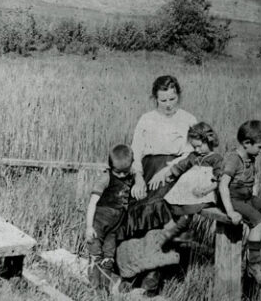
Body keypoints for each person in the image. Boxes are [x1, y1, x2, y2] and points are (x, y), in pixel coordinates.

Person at [122, 75, 197, 295]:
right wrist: (138, 178)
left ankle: (151, 278)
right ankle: (131, 272)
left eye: (172, 99)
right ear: (155, 98)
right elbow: (136, 152)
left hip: (174, 173)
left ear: (178, 96)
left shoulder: (188, 119)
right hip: (147, 171)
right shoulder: (146, 119)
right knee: (135, 216)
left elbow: (191, 153)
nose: (168, 105)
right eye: (163, 100)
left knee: (159, 216)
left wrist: (169, 169)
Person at [219, 120, 261, 285]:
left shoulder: (251, 156)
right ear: (246, 143)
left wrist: (254, 195)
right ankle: (254, 266)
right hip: (233, 199)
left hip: (247, 197)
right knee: (258, 223)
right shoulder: (234, 159)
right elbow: (222, 186)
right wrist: (230, 212)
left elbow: (253, 178)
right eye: (260, 147)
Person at [147, 122, 224, 252]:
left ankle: (176, 231)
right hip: (186, 189)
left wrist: (208, 189)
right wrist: (170, 174)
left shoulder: (216, 158)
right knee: (175, 203)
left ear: (209, 141)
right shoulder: (193, 156)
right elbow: (182, 165)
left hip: (202, 192)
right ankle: (177, 232)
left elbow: (219, 178)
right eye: (195, 147)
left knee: (189, 210)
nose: (197, 150)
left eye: (199, 146)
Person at [85, 144, 135, 286]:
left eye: (125, 172)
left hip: (114, 228)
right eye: (118, 172)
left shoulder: (130, 177)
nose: (121, 176)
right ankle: (94, 285)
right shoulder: (105, 179)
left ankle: (104, 288)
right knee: (95, 253)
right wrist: (89, 227)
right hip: (99, 224)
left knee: (109, 256)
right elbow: (92, 204)